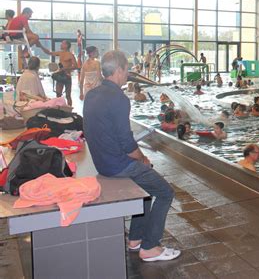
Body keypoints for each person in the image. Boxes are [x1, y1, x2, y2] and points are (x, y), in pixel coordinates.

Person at [83, 50, 180, 262]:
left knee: (145, 185)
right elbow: (127, 144)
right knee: (165, 192)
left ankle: (135, 238)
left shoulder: (92, 94)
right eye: (126, 69)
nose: (128, 73)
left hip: (101, 161)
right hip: (117, 164)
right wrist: (143, 158)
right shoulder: (118, 98)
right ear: (119, 70)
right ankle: (150, 246)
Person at [41, 40, 77, 106]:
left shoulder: (70, 55)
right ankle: (59, 109)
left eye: (62, 44)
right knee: (58, 94)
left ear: (66, 45)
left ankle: (70, 110)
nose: (60, 45)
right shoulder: (60, 53)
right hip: (60, 75)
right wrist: (41, 46)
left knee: (68, 95)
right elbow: (49, 52)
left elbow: (75, 66)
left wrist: (66, 68)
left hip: (67, 76)